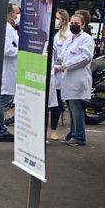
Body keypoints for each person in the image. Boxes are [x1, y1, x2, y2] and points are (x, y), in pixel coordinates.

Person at [56, 11, 94, 146]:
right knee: (71, 108)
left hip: (78, 79)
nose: (73, 25)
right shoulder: (70, 38)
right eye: (72, 23)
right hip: (67, 78)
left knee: (76, 108)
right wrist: (59, 63)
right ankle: (72, 133)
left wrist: (66, 65)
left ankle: (79, 136)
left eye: (76, 23)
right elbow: (63, 54)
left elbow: (85, 57)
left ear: (82, 25)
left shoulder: (86, 39)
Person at [0, 3, 20, 142]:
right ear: (10, 14)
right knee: (2, 101)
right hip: (6, 71)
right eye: (17, 13)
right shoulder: (7, 29)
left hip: (9, 70)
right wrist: (23, 51)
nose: (18, 16)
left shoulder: (10, 29)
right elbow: (6, 49)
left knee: (3, 100)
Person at [47, 9, 71, 141]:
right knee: (46, 103)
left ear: (63, 20)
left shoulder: (67, 34)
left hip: (59, 73)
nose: (55, 21)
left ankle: (53, 130)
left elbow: (65, 55)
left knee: (56, 103)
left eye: (58, 18)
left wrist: (58, 67)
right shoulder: (50, 32)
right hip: (49, 72)